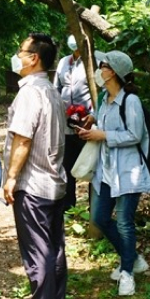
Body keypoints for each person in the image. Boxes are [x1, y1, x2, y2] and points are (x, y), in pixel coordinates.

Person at [1, 32, 68, 299]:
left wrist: (11, 177)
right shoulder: (51, 90)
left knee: (38, 249)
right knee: (54, 245)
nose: (17, 55)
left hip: (34, 182)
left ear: (33, 58)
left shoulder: (30, 92)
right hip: (53, 180)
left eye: (21, 50)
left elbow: (23, 140)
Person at [75, 50, 150, 297]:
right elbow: (102, 120)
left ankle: (127, 273)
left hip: (128, 171)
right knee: (99, 217)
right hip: (106, 170)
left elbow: (134, 134)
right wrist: (90, 121)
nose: (99, 69)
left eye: (103, 65)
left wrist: (103, 135)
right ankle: (133, 258)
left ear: (114, 72)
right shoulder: (103, 99)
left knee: (125, 222)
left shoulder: (131, 101)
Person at [55, 35, 93, 208]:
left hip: (88, 123)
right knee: (67, 165)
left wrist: (93, 115)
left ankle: (94, 208)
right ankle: (69, 207)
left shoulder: (95, 61)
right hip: (66, 124)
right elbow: (57, 88)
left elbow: (100, 91)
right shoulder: (64, 62)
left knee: (92, 164)